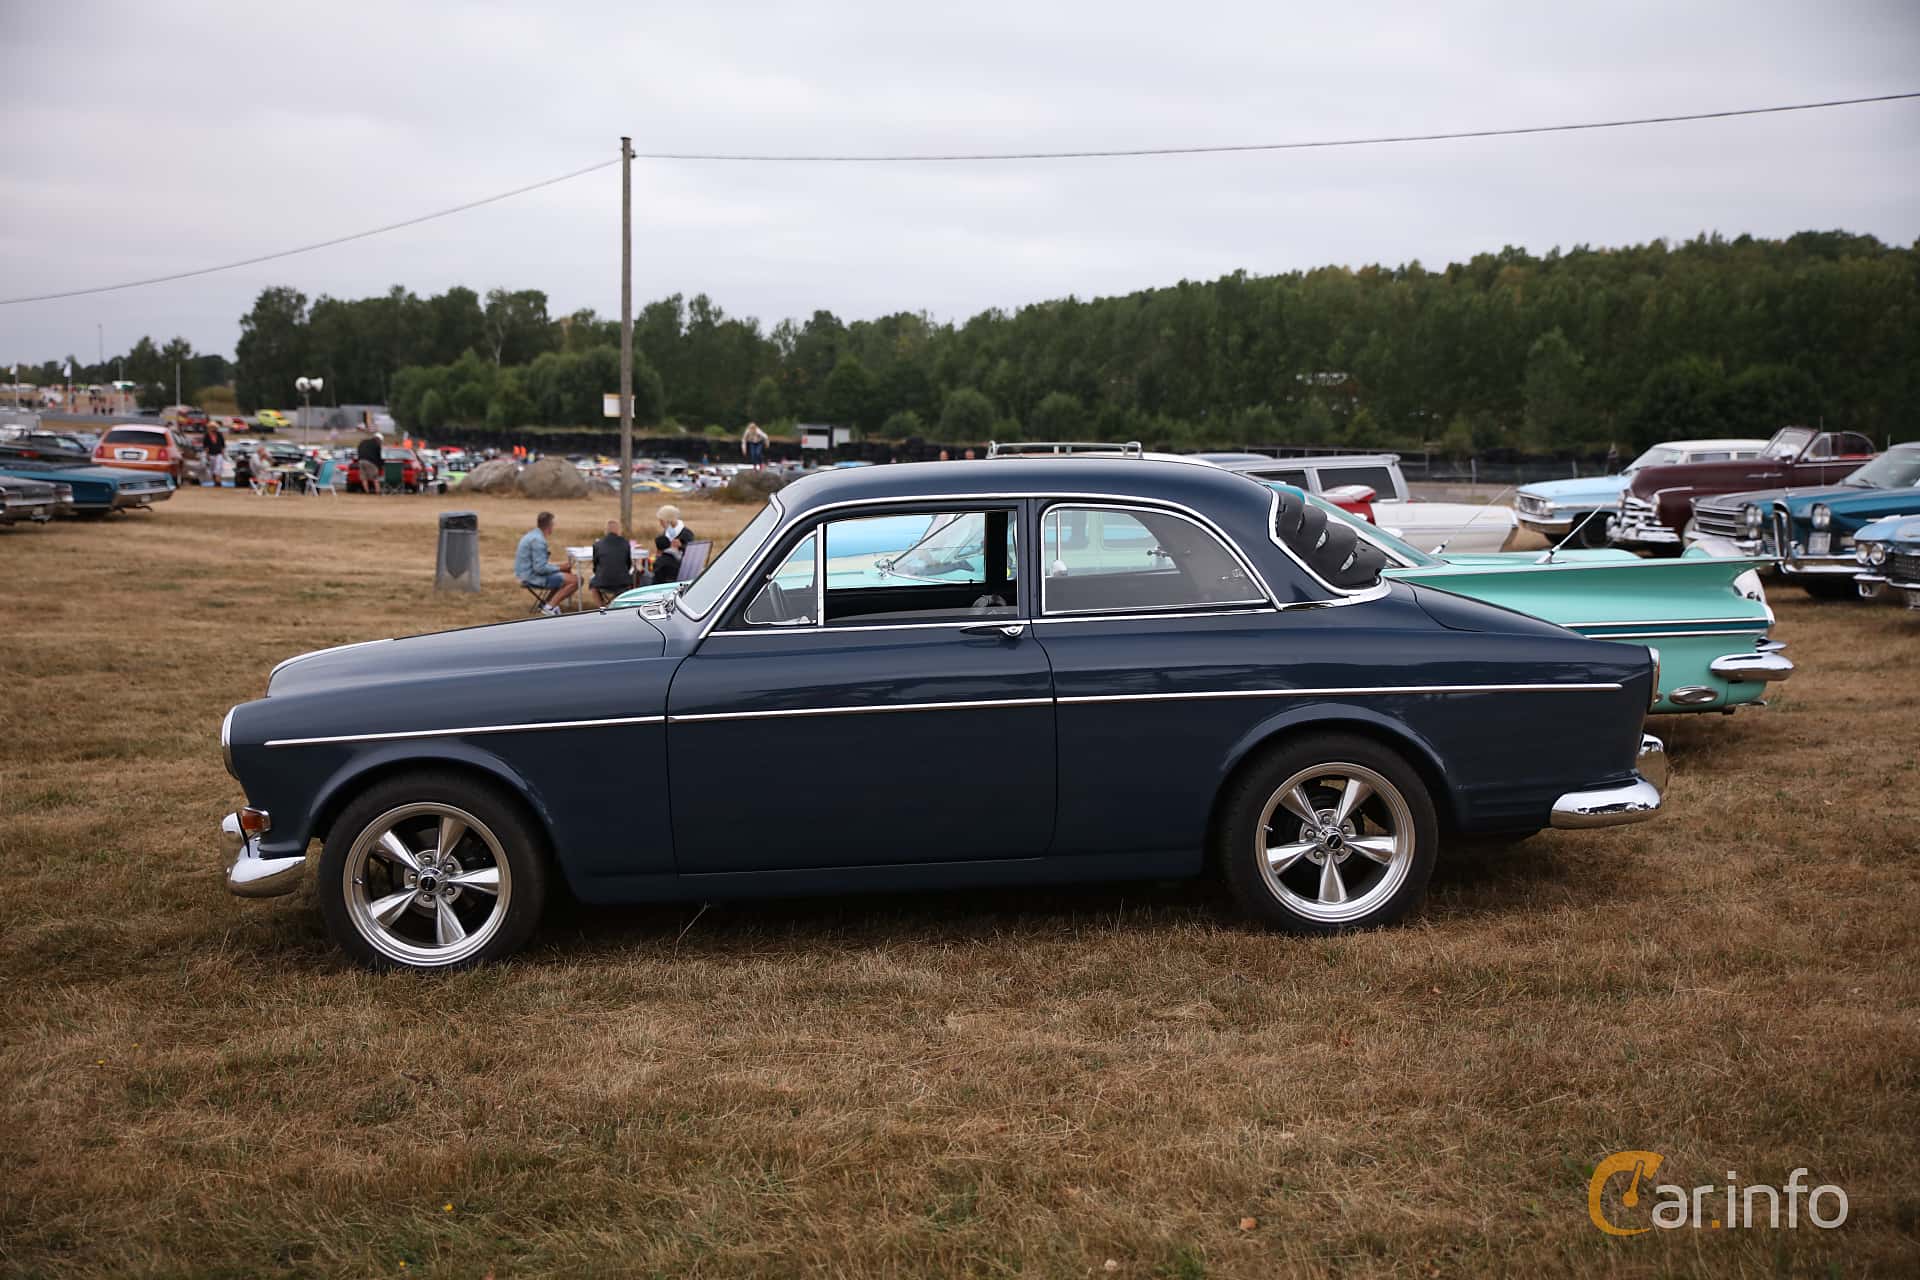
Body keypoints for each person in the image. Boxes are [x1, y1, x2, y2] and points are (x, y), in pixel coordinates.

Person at [515, 511, 578, 615]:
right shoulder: (538, 540)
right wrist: (559, 567)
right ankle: (550, 607)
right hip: (532, 577)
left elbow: (540, 565)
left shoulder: (532, 535)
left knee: (566, 573)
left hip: (525, 574)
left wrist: (560, 567)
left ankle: (547, 604)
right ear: (550, 525)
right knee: (576, 580)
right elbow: (540, 568)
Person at [589, 519, 636, 605]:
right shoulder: (625, 543)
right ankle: (620, 606)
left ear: (606, 531)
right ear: (618, 530)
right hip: (623, 582)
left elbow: (596, 565)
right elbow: (628, 564)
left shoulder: (598, 544)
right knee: (630, 581)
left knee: (593, 585)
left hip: (602, 581)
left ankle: (601, 607)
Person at [356, 431, 385, 495]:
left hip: (361, 461)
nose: (380, 442)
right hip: (371, 462)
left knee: (364, 478)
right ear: (379, 439)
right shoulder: (377, 444)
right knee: (375, 478)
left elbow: (358, 450)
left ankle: (367, 492)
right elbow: (379, 456)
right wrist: (380, 466)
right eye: (381, 441)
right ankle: (378, 492)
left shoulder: (363, 442)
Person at [202, 419, 226, 486]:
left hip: (218, 453)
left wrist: (222, 453)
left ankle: (218, 481)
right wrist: (207, 455)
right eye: (211, 427)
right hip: (211, 453)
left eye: (214, 427)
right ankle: (215, 481)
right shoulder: (206, 436)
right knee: (212, 468)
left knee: (218, 467)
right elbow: (206, 446)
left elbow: (222, 445)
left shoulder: (219, 435)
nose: (213, 429)